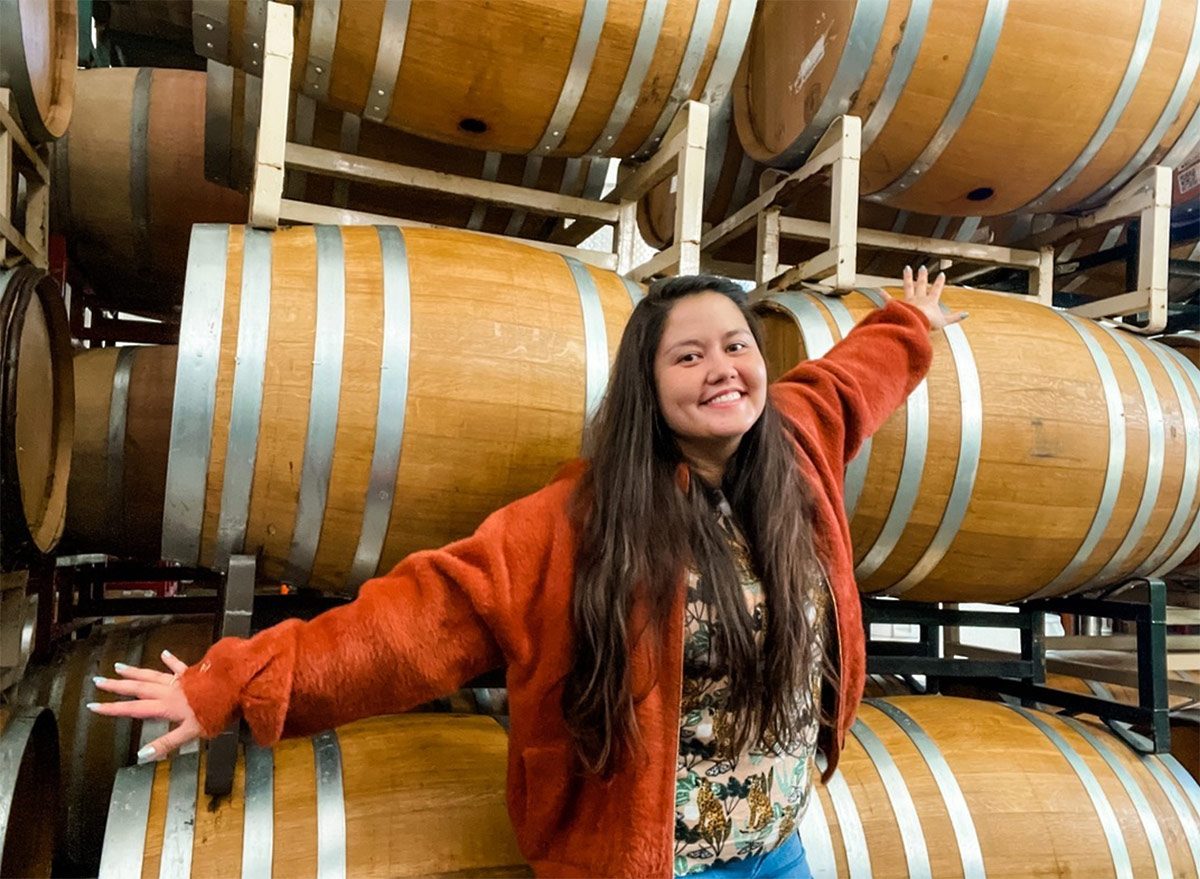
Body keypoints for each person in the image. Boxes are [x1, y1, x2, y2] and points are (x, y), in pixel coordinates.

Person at [89, 266, 964, 879]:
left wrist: (909, 325)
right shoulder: (579, 522)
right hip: (650, 864)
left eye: (735, 346)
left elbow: (856, 382)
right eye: (687, 356)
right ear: (647, 387)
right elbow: (417, 624)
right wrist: (234, 684)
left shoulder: (797, 448)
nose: (722, 369)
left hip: (779, 849)